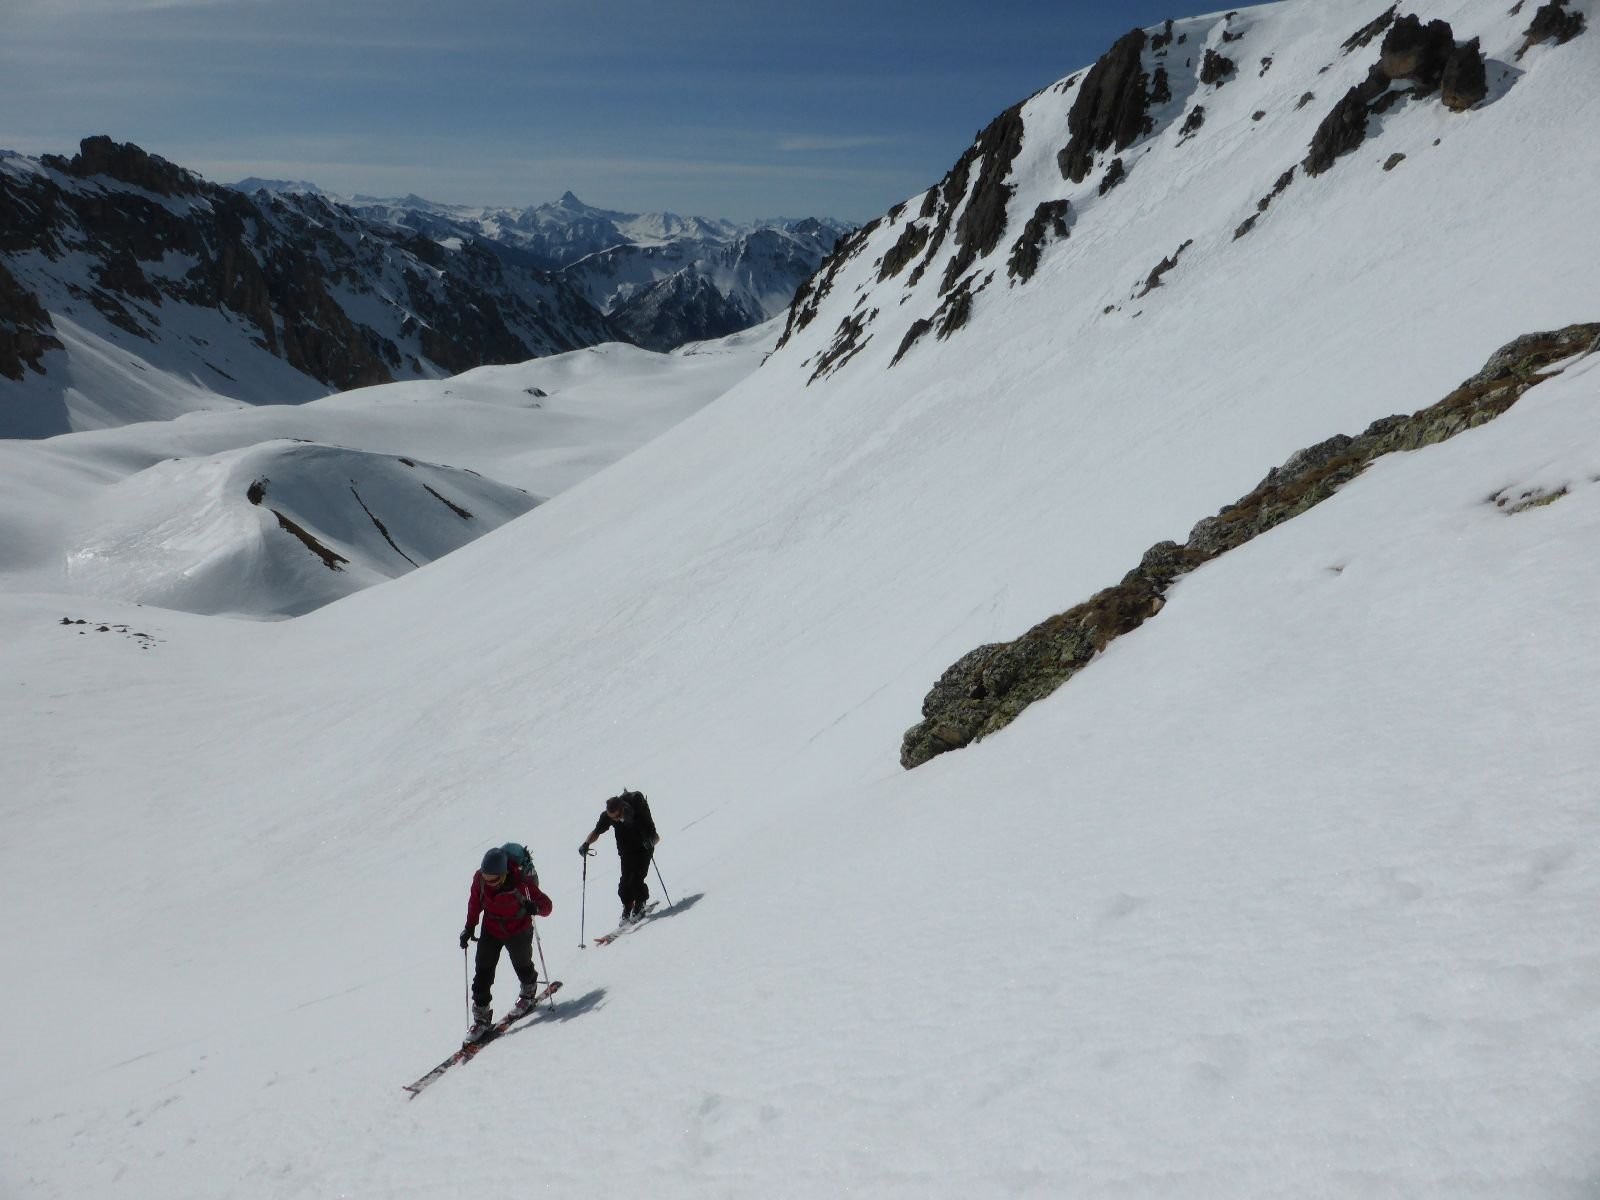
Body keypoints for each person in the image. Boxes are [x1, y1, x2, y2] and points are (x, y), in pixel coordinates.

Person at [459, 845, 552, 1043]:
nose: (489, 882)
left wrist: (535, 908)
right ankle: (481, 1018)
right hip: (491, 928)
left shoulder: (521, 884)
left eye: (493, 879)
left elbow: (547, 906)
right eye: (486, 878)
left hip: (518, 929)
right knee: (483, 970)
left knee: (522, 963)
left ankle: (528, 990)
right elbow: (475, 902)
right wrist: (469, 927)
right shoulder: (480, 880)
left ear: (503, 875)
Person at [579, 789, 660, 924]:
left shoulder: (637, 809)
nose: (614, 820)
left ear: (622, 809)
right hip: (626, 850)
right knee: (624, 883)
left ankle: (640, 902)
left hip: (644, 848)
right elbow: (597, 831)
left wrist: (650, 841)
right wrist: (586, 843)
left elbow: (656, 836)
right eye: (611, 817)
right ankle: (628, 906)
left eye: (616, 817)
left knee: (637, 878)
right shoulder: (609, 816)